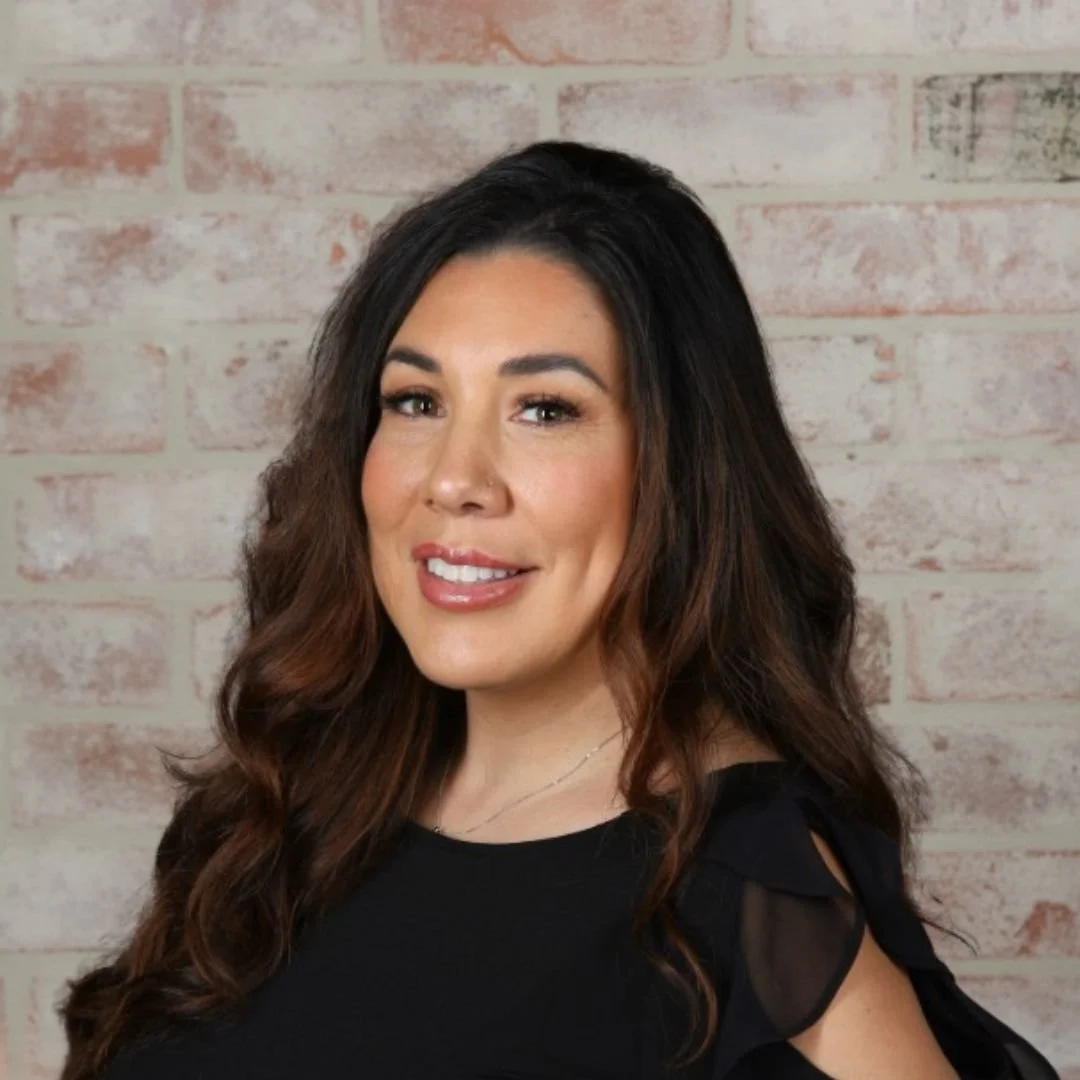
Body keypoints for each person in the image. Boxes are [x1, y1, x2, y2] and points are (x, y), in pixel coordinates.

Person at [58, 140, 1060, 1080]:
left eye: (546, 410)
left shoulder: (750, 884)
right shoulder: (283, 810)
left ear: (680, 470)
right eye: (416, 401)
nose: (455, 480)